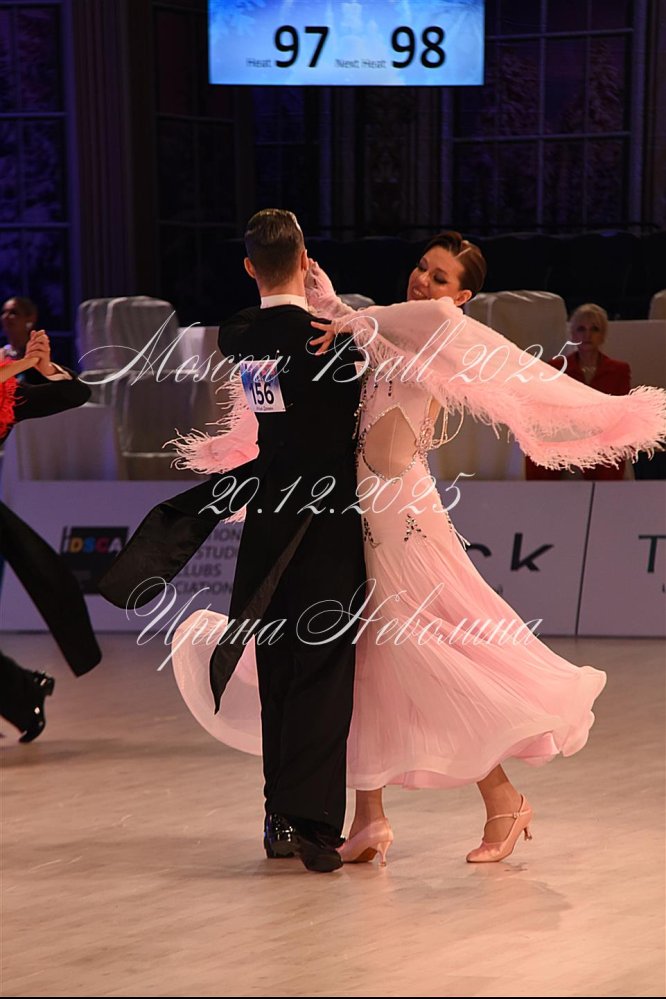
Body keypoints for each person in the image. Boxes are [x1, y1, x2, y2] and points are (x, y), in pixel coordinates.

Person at [167, 230, 666, 867]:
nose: (423, 280)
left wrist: (335, 308)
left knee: (424, 661)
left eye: (439, 277)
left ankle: (504, 801)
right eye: (422, 267)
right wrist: (326, 304)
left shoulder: (433, 323)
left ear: (461, 297)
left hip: (401, 519)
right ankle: (369, 817)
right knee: (365, 663)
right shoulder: (390, 328)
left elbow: (376, 324)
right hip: (363, 514)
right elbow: (360, 338)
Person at [100, 209, 365, 874]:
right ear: (305, 259)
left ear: (249, 266)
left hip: (270, 515)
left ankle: (279, 817)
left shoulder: (241, 335)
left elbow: (266, 342)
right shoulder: (341, 343)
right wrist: (340, 315)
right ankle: (314, 822)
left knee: (277, 665)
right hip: (329, 519)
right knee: (323, 671)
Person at [0, 332, 101, 742]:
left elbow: (75, 394)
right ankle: (24, 691)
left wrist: (42, 369)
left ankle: (23, 692)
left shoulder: (8, 398)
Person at [525, 303, 632, 481]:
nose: (587, 335)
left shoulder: (619, 369)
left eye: (594, 329)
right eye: (581, 329)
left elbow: (621, 413)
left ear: (603, 335)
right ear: (573, 334)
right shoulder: (555, 368)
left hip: (602, 439)